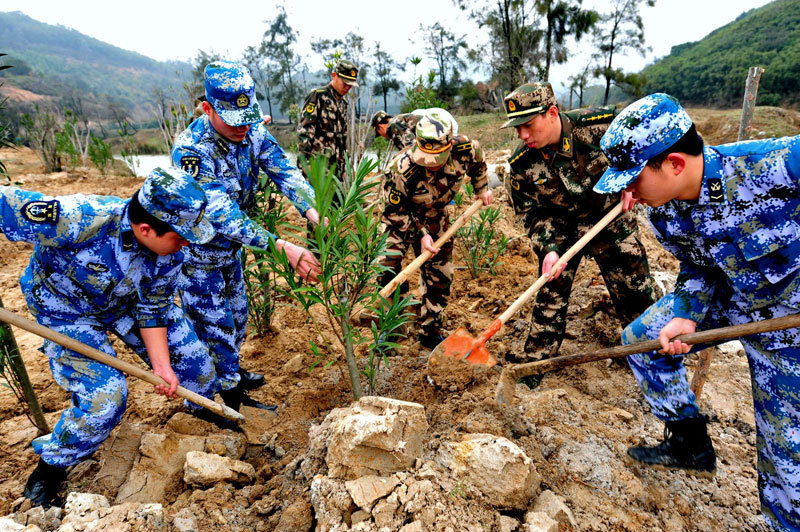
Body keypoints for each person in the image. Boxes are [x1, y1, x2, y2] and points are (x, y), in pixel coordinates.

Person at [594, 92, 800, 531]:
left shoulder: (774, 165)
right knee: (644, 341)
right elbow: (699, 265)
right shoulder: (664, 212)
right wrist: (686, 311)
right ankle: (690, 444)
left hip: (789, 326)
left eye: (633, 180)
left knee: (787, 460)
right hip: (730, 297)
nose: (628, 194)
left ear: (674, 163)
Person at [2, 168, 219, 508]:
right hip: (65, 311)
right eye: (180, 236)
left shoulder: (170, 249)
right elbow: (5, 203)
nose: (187, 243)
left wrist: (163, 367)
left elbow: (155, 307)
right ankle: (51, 467)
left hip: (126, 302)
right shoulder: (80, 218)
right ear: (145, 229)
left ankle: (202, 423)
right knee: (106, 398)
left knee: (196, 366)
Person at [172, 61, 321, 411]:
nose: (243, 128)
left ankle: (230, 375)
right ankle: (214, 406)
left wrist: (314, 210)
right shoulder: (192, 151)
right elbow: (221, 214)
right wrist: (280, 245)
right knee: (214, 328)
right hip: (197, 257)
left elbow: (284, 170)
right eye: (232, 120)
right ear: (207, 108)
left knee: (237, 320)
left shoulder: (250, 130)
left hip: (231, 253)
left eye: (248, 117)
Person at [501, 81, 656, 366]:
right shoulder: (522, 163)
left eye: (528, 124)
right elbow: (530, 213)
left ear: (551, 113)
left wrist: (636, 180)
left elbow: (648, 145)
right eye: (516, 128)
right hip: (561, 227)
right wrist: (548, 248)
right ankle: (536, 361)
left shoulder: (603, 126)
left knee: (635, 290)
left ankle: (646, 354)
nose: (523, 135)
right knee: (550, 292)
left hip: (611, 216)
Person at [380, 114, 492, 348]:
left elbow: (479, 163)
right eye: (425, 158)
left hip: (436, 216)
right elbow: (393, 211)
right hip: (400, 218)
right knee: (387, 266)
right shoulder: (402, 168)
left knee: (440, 275)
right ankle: (392, 328)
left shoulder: (465, 149)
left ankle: (430, 330)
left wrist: (481, 188)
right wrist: (421, 234)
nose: (430, 164)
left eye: (436, 158)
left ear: (449, 146)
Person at [297, 59, 359, 181]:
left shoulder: (342, 103)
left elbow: (342, 138)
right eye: (345, 83)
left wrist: (343, 167)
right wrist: (306, 164)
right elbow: (304, 131)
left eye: (350, 85)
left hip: (335, 171)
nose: (347, 88)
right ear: (334, 76)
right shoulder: (318, 96)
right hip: (317, 167)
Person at [370, 108, 460, 151]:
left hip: (440, 133)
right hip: (443, 131)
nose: (383, 136)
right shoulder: (399, 120)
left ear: (380, 127)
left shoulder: (394, 126)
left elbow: (411, 148)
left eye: (379, 133)